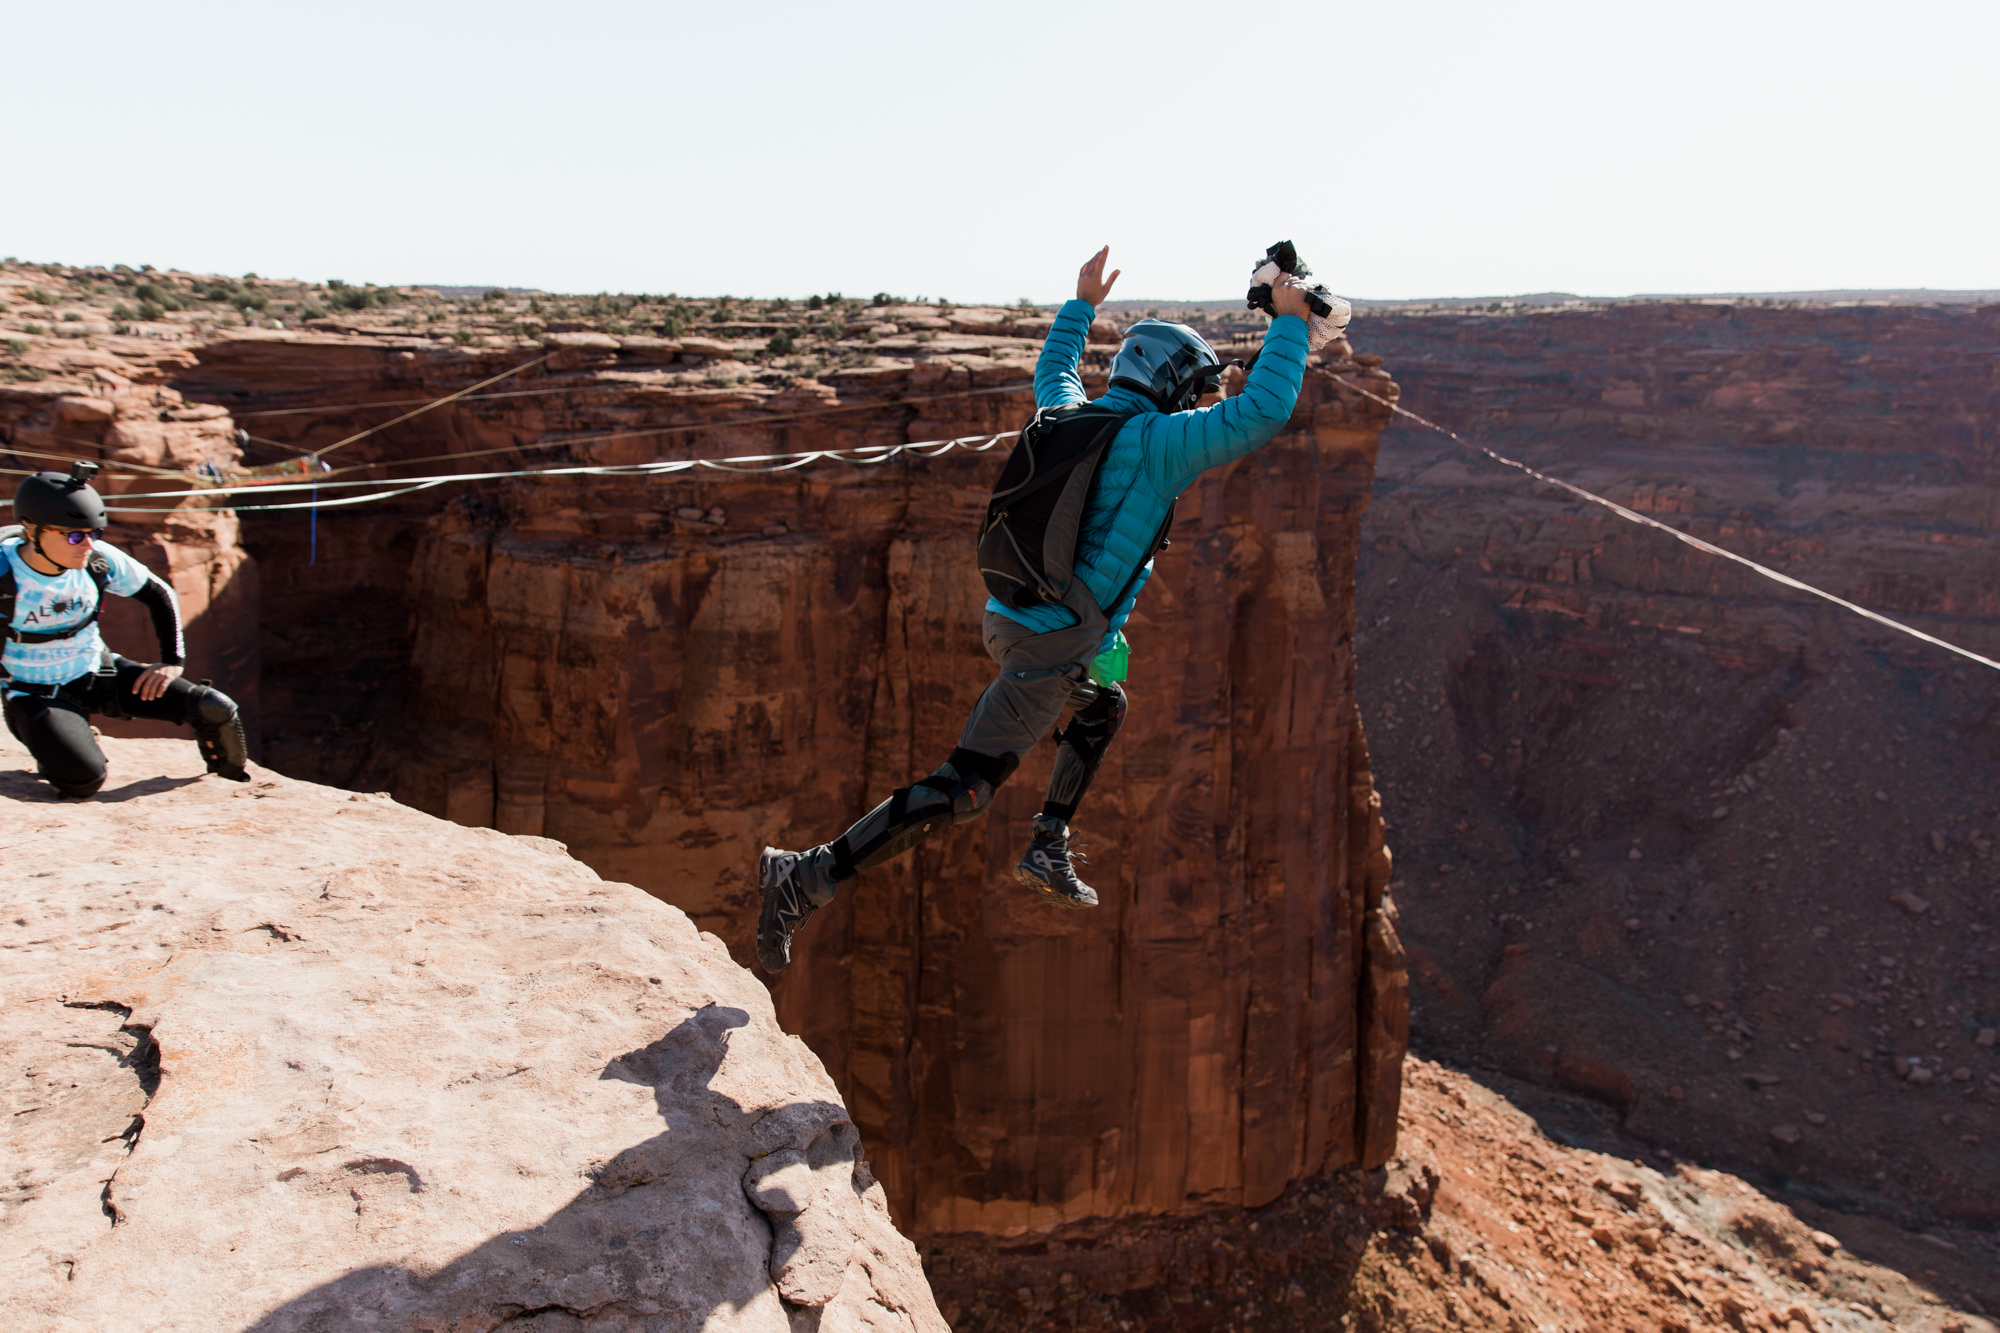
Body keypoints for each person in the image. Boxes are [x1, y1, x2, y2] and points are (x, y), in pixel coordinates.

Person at [755, 246, 1314, 973]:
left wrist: (1081, 304)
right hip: (1048, 645)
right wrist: (1293, 323)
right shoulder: (1159, 444)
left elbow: (1052, 370)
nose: (1199, 405)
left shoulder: (1068, 414)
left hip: (1013, 616)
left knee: (1102, 705)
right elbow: (1261, 412)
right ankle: (803, 876)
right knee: (963, 789)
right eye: (1195, 392)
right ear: (1173, 386)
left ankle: (1048, 840)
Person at [3, 462, 250, 797]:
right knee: (82, 780)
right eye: (74, 535)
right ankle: (43, 732)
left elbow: (158, 593)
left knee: (215, 709)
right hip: (34, 689)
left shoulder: (97, 559)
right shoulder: (6, 571)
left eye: (94, 534)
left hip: (95, 672)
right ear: (32, 531)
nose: (87, 545)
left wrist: (172, 660)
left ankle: (230, 791)